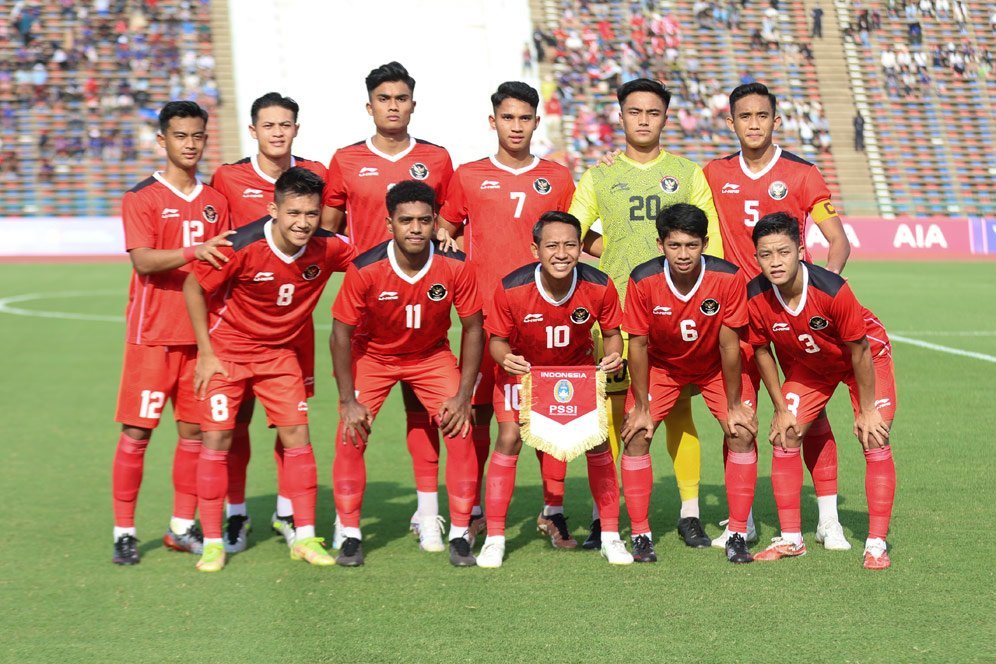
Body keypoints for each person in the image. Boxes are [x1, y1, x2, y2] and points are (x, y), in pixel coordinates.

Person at [570, 78, 723, 550]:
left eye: (652, 113)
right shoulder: (598, 175)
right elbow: (572, 232)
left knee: (677, 413)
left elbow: (709, 242)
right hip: (616, 316)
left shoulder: (687, 172)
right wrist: (608, 247)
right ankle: (607, 514)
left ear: (665, 117)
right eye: (634, 112)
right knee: (615, 417)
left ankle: (691, 513)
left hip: (676, 319)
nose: (643, 120)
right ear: (620, 116)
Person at [182, 167, 356, 572]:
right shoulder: (240, 245)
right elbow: (194, 286)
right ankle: (211, 541)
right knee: (218, 440)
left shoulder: (328, 247)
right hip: (227, 354)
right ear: (273, 209)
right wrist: (205, 354)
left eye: (311, 214)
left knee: (298, 437)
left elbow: (372, 258)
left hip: (279, 357)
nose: (303, 223)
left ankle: (306, 536)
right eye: (293, 213)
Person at [703, 82, 851, 550]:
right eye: (743, 117)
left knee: (810, 417)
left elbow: (838, 240)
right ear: (731, 123)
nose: (753, 124)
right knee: (739, 417)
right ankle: (740, 520)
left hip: (791, 319)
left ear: (776, 120)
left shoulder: (803, 174)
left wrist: (818, 293)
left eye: (761, 116)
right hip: (739, 318)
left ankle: (828, 519)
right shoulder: (712, 172)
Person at [436, 81, 578, 549]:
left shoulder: (557, 177)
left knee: (551, 413)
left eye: (525, 118)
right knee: (477, 412)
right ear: (493, 121)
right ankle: (474, 510)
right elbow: (445, 228)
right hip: (482, 318)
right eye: (508, 117)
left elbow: (572, 238)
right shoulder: (469, 175)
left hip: (543, 314)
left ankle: (552, 511)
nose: (516, 126)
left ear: (537, 122)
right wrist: (448, 243)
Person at [322, 62, 454, 545]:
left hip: (423, 311)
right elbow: (330, 230)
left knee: (427, 417)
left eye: (401, 98)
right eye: (384, 98)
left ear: (413, 104)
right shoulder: (346, 159)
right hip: (368, 314)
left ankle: (427, 513)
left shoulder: (437, 159)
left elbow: (450, 224)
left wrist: (445, 237)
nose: (393, 105)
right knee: (355, 421)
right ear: (370, 105)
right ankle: (347, 522)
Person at [330, 180, 484, 567]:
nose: (415, 228)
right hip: (375, 357)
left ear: (436, 223)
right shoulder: (365, 269)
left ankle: (462, 532)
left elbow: (473, 328)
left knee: (460, 428)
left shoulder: (455, 265)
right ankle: (349, 532)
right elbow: (339, 334)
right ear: (389, 224)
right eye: (406, 220)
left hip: (430, 357)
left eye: (424, 220)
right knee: (350, 432)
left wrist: (463, 397)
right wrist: (348, 401)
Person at [110, 100, 233, 565]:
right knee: (137, 434)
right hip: (153, 335)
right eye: (180, 136)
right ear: (162, 141)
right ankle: (124, 530)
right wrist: (195, 251)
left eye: (197, 136)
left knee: (194, 435)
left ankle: (181, 527)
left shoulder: (215, 202)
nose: (190, 144)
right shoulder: (141, 197)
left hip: (200, 339)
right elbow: (143, 260)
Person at [477, 211, 633, 568]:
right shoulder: (511, 287)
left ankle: (610, 536)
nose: (561, 253)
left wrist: (613, 356)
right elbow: (497, 341)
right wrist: (505, 359)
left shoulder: (600, 284)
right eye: (552, 245)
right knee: (509, 437)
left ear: (582, 247)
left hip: (574, 374)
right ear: (536, 250)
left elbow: (611, 335)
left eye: (570, 245)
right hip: (525, 372)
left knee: (598, 440)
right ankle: (496, 539)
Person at [209, 91, 328, 553]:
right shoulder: (229, 176)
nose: (278, 132)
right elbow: (219, 240)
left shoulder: (314, 175)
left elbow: (325, 238)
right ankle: (236, 513)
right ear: (254, 130)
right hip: (241, 322)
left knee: (291, 423)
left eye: (286, 124)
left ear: (296, 128)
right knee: (234, 422)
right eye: (269, 125)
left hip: (294, 326)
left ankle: (287, 512)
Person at [747, 213, 897, 570]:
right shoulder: (755, 294)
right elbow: (762, 350)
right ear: (756, 257)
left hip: (865, 359)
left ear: (801, 250)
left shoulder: (831, 289)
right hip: (813, 364)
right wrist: (781, 407)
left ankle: (875, 545)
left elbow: (859, 349)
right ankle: (791, 539)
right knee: (785, 434)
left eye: (783, 252)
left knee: (873, 436)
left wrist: (866, 409)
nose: (775, 261)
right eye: (766, 254)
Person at [620, 203, 759, 564]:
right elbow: (636, 344)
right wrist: (642, 407)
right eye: (675, 245)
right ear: (660, 244)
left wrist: (732, 406)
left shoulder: (728, 278)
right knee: (636, 433)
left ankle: (738, 533)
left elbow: (730, 345)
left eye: (692, 245)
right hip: (663, 368)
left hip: (715, 365)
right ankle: (641, 535)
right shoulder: (642, 280)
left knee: (741, 431)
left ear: (705, 244)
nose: (683, 254)